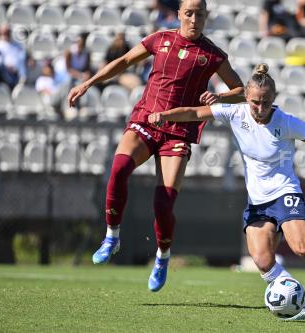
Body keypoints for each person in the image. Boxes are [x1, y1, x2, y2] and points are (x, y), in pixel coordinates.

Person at [148, 63, 305, 320]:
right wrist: (164, 116)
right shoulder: (235, 113)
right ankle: (303, 304)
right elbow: (194, 113)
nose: (260, 109)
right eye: (255, 102)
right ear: (246, 98)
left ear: (274, 99)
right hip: (257, 201)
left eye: (266, 102)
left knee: (304, 248)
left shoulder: (286, 123)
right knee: (262, 261)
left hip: (285, 192)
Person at [67, 0, 244, 292]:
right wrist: (89, 82)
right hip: (146, 120)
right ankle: (112, 235)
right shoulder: (160, 39)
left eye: (199, 14)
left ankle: (162, 256)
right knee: (119, 169)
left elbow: (240, 90)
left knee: (163, 203)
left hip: (178, 132)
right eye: (189, 13)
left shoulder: (212, 54)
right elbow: (124, 62)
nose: (194, 19)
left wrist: (221, 97)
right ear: (179, 15)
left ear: (206, 17)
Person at [0, 23, 26, 89]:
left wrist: (16, 69)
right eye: (3, 32)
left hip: (14, 74)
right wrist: (6, 66)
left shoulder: (18, 46)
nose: (4, 34)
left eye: (7, 32)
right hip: (1, 72)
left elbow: (21, 61)